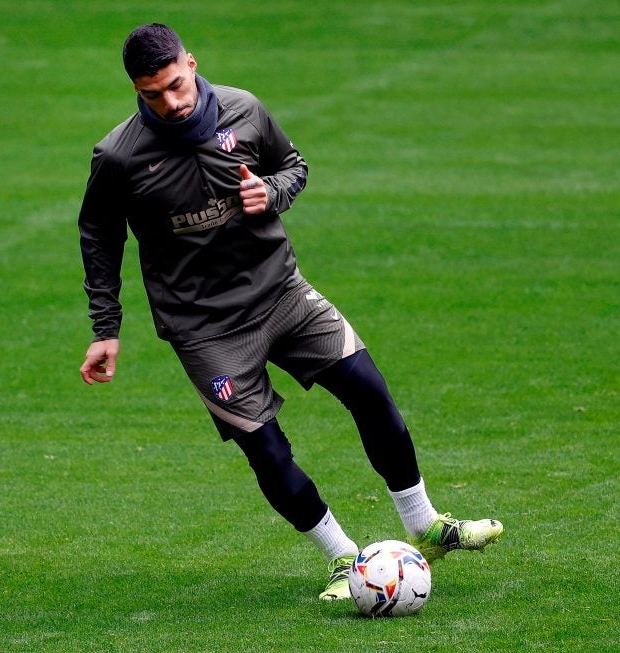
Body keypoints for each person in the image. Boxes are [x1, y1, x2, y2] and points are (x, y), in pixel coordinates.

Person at [78, 23, 502, 601]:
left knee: (370, 393)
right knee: (269, 450)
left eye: (177, 85)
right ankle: (343, 560)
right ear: (136, 88)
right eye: (153, 95)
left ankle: (425, 524)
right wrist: (107, 329)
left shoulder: (245, 110)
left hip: (283, 295)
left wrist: (271, 193)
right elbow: (99, 236)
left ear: (192, 64)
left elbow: (294, 165)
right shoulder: (120, 156)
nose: (171, 104)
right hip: (206, 332)